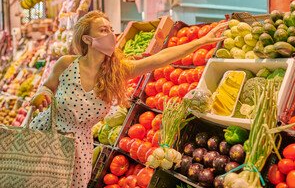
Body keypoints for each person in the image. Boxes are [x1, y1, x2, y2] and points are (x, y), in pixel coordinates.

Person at [29, 10, 227, 187]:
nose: (110, 35)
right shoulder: (66, 64)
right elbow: (47, 86)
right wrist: (42, 94)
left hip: (79, 146)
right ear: (87, 39)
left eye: (111, 29)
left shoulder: (117, 72)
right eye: (103, 30)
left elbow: (161, 58)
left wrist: (201, 41)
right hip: (48, 134)